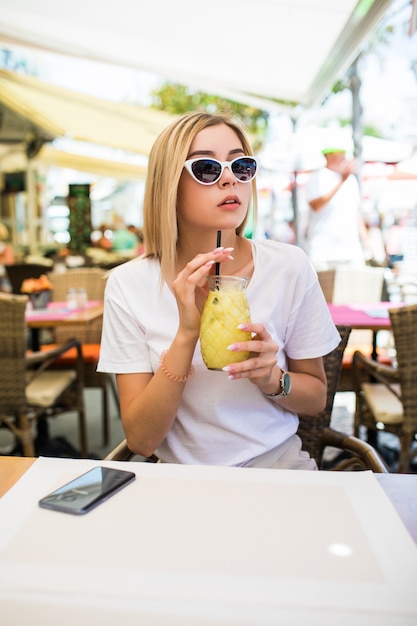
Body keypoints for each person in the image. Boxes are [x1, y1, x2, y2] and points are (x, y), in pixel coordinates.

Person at [98, 112, 340, 469]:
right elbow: (141, 440)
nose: (229, 180)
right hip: (182, 486)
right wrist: (186, 335)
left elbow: (316, 398)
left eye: (241, 166)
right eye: (207, 169)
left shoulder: (289, 266)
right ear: (169, 184)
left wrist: (271, 378)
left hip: (279, 471)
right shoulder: (128, 285)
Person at [303, 147, 370, 269]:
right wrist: (341, 181)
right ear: (328, 157)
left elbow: (355, 212)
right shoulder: (317, 177)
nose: (343, 159)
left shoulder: (351, 180)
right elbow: (316, 206)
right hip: (322, 250)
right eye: (339, 156)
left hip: (350, 250)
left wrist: (366, 241)